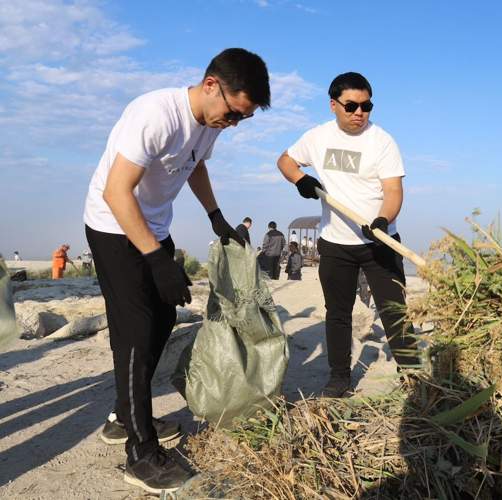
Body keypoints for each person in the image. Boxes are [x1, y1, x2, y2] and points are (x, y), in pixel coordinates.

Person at [82, 48, 270, 494]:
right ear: (210, 85)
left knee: (165, 317)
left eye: (242, 119)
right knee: (136, 329)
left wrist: (215, 215)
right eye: (232, 113)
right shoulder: (155, 114)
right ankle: (140, 451)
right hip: (113, 226)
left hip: (152, 227)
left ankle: (123, 416)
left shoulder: (209, 123)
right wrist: (154, 259)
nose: (233, 124)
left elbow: (194, 165)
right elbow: (116, 192)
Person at [277, 71, 419, 398]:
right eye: (351, 105)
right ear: (333, 105)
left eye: (366, 106)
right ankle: (339, 378)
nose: (359, 113)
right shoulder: (317, 137)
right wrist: (300, 179)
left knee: (395, 311)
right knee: (337, 313)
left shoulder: (382, 141)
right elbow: (285, 160)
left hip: (379, 243)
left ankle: (413, 378)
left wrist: (384, 219)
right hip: (336, 244)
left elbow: (393, 190)